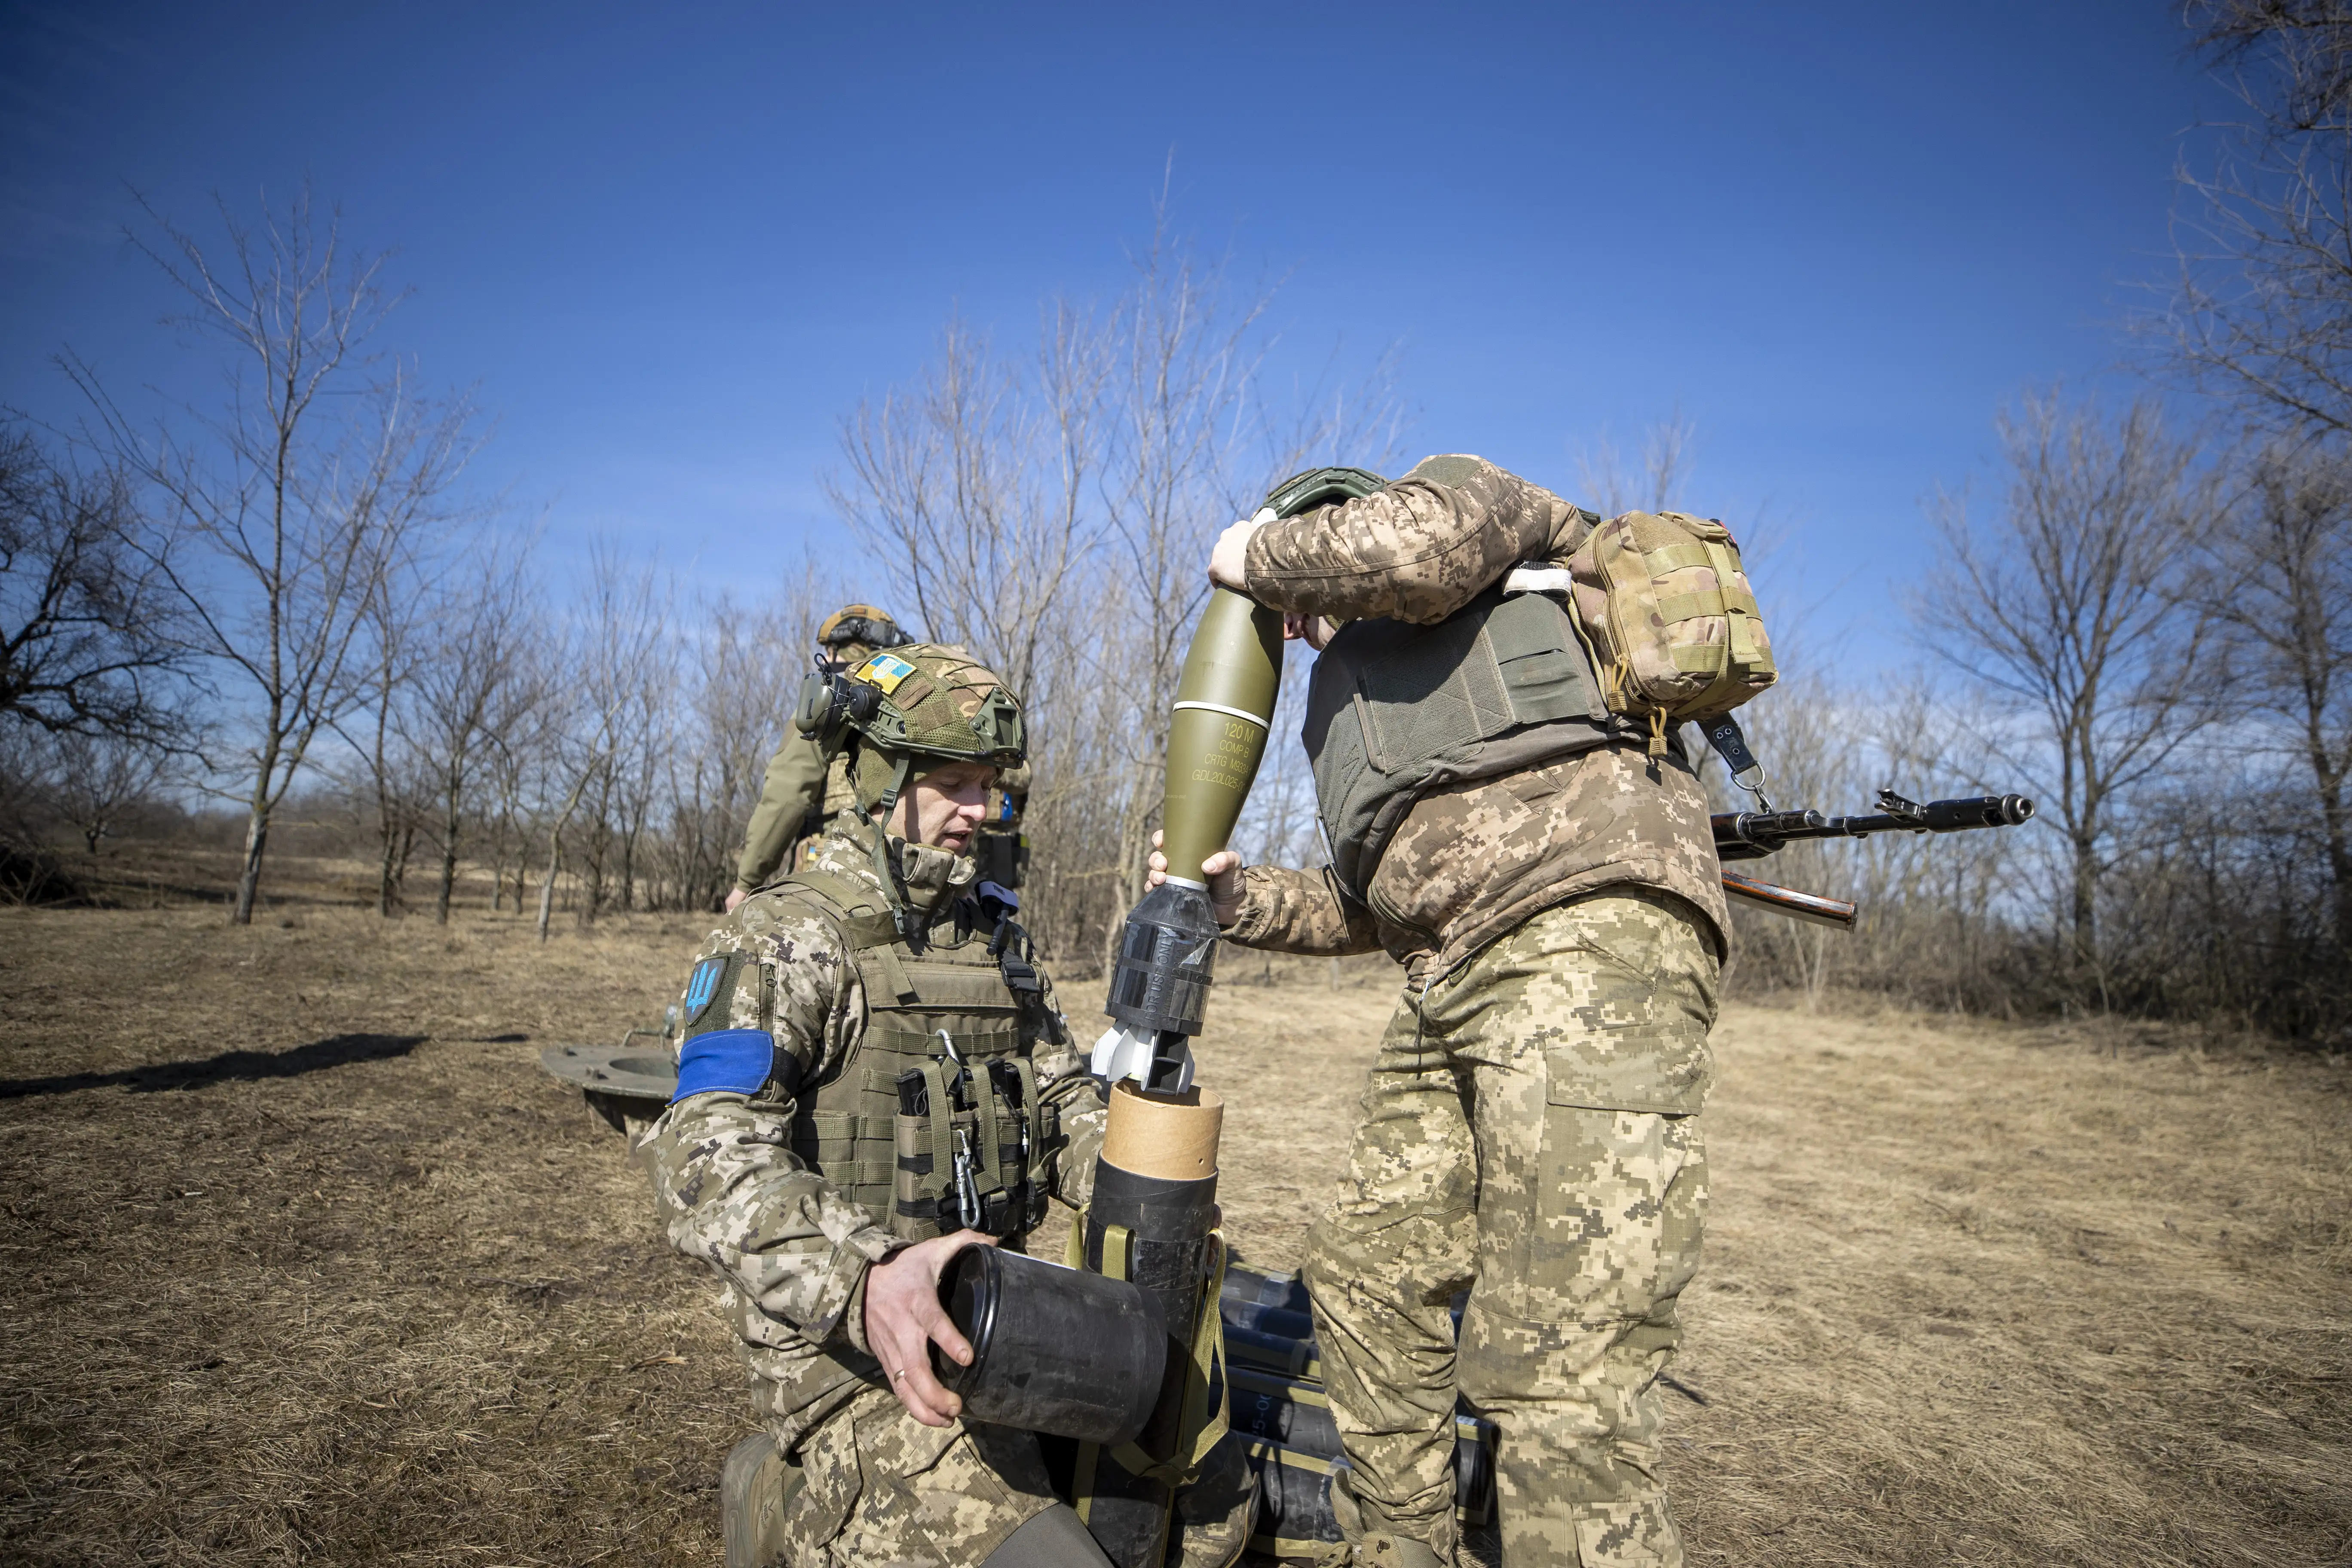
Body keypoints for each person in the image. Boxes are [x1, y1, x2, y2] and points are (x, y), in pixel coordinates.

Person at [1152, 455, 1729, 1568]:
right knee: (1370, 1276)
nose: (1300, 631)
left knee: (1561, 1359)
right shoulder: (1367, 693)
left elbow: (1414, 546)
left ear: (1336, 531)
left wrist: (1250, 560)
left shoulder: (1465, 513)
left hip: (1583, 935)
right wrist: (1242, 899)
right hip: (1450, 976)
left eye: (1301, 605)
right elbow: (1372, 903)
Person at [644, 644, 1249, 1568]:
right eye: (957, 783)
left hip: (999, 1315)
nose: (983, 811)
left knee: (1209, 1511)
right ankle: (782, 1495)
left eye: (992, 785)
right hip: (844, 1349)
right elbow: (704, 1149)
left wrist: (1146, 1185)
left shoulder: (994, 940)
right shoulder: (786, 936)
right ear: (883, 780)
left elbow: (1057, 1098)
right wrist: (866, 1277)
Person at [725, 605, 914, 913]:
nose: (827, 658)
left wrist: (746, 882)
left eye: (829, 649)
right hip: (906, 873)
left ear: (841, 648)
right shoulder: (915, 707)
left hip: (837, 873)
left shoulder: (829, 704)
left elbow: (788, 796)